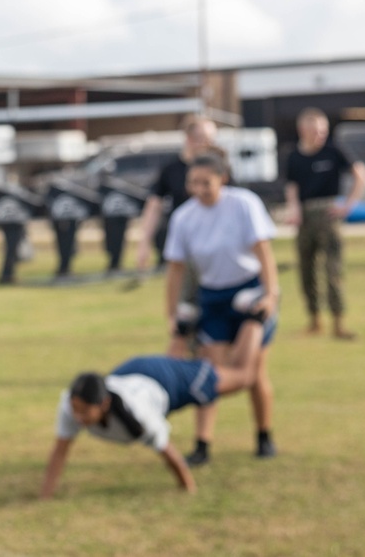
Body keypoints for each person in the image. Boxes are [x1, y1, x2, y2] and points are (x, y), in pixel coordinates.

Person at [39, 312, 264, 498]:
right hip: (132, 373)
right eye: (75, 409)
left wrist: (188, 489)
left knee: (243, 377)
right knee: (178, 364)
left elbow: (169, 453)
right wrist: (45, 495)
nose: (78, 417)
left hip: (167, 382)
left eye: (85, 411)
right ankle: (183, 330)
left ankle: (254, 320)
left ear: (104, 403)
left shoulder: (139, 415)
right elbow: (60, 451)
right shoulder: (71, 403)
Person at [163, 151, 280, 467]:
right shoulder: (184, 217)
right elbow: (175, 269)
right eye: (193, 183)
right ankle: (202, 445)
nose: (199, 189)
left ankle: (264, 436)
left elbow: (264, 252)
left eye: (206, 183)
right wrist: (172, 313)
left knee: (251, 372)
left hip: (249, 295)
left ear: (223, 179)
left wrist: (270, 295)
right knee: (208, 376)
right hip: (212, 299)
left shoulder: (243, 204)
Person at [284, 107, 365, 340]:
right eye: (315, 130)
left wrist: (348, 205)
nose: (320, 135)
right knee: (306, 269)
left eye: (323, 130)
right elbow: (292, 186)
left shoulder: (334, 151)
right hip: (305, 214)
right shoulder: (294, 155)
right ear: (303, 130)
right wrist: (294, 209)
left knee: (332, 269)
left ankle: (339, 323)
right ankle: (314, 320)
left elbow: (361, 174)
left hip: (329, 213)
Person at [135, 116, 218, 274]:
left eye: (212, 140)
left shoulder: (218, 168)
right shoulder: (171, 169)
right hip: (185, 240)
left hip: (214, 238)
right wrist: (144, 243)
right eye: (205, 140)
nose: (209, 145)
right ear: (190, 139)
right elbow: (154, 205)